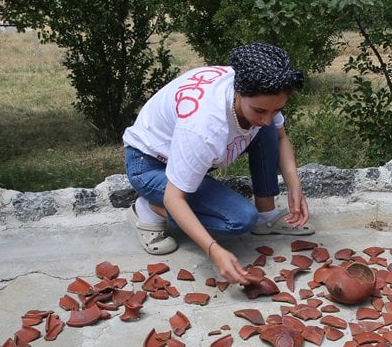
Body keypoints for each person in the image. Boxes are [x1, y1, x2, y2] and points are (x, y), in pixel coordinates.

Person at [123, 42, 312, 285]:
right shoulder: (204, 126)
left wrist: (295, 186)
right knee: (239, 219)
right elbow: (174, 198)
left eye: (276, 110)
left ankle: (267, 215)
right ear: (239, 92)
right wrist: (214, 250)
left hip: (184, 151)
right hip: (149, 165)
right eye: (260, 110)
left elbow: (280, 137)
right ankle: (149, 208)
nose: (268, 117)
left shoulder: (260, 82)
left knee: (266, 130)